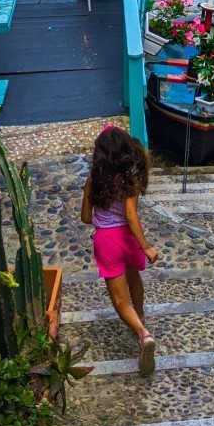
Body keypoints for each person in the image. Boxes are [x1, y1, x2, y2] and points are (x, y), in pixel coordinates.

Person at [81, 124, 159, 374]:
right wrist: (145, 247)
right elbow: (131, 215)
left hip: (107, 241)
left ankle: (142, 333)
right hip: (129, 238)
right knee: (134, 277)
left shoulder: (94, 179)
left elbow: (85, 217)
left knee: (119, 300)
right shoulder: (131, 178)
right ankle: (142, 317)